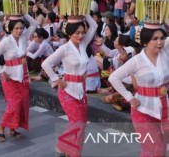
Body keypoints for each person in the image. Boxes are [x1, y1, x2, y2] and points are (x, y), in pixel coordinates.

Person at [41, 14, 97, 156]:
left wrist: (85, 13)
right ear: (70, 32)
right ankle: (62, 146)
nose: (80, 35)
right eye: (77, 32)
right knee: (77, 123)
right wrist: (56, 79)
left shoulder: (83, 44)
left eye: (82, 32)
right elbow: (45, 63)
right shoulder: (64, 48)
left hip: (81, 90)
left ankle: (71, 152)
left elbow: (94, 26)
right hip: (67, 90)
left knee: (82, 124)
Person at [109, 27, 169, 156]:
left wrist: (159, 20)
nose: (160, 42)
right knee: (154, 148)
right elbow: (113, 77)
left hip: (164, 108)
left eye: (162, 38)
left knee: (161, 148)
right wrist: (129, 97)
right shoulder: (137, 61)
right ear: (145, 42)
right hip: (143, 110)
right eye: (155, 39)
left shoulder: (165, 53)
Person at [0, 13, 37, 142]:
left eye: (21, 28)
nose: (19, 30)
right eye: (16, 28)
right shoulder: (6, 41)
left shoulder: (24, 38)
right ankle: (1, 128)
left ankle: (13, 129)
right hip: (9, 78)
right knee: (13, 103)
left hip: (22, 76)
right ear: (11, 29)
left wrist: (24, 13)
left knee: (22, 104)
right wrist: (1, 71)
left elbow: (34, 24)